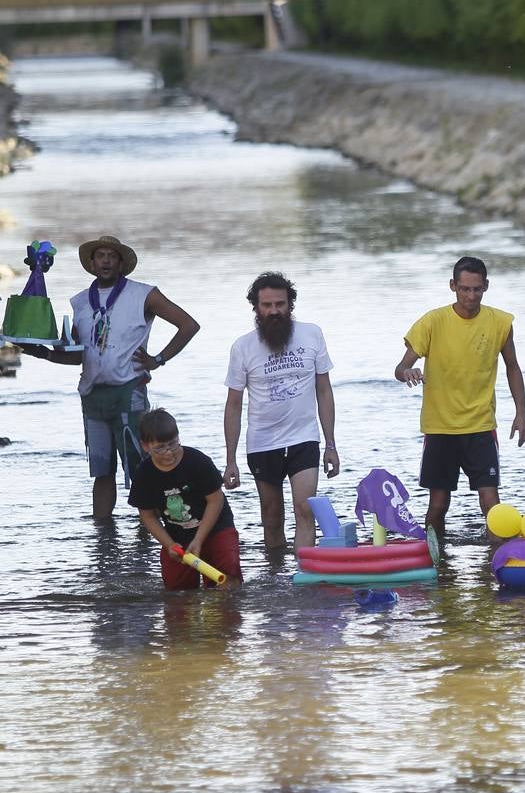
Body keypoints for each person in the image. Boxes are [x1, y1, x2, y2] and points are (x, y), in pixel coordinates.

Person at [20, 235, 199, 520]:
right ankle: (102, 537)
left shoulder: (144, 294)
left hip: (129, 391)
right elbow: (79, 355)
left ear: (121, 263)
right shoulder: (80, 302)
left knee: (142, 467)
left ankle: (151, 531)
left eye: (111, 256)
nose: (105, 260)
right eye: (99, 256)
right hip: (92, 396)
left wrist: (158, 360)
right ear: (91, 264)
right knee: (101, 471)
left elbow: (188, 325)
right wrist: (41, 353)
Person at [395, 256, 525, 542]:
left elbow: (513, 367)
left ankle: (499, 560)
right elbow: (400, 368)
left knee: (490, 501)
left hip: (481, 426)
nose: (471, 296)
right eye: (465, 289)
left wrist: (521, 413)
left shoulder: (500, 322)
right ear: (453, 286)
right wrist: (409, 372)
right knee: (438, 505)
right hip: (440, 427)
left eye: (477, 289)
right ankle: (433, 561)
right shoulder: (432, 321)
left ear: (486, 287)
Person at [223, 272, 339, 550]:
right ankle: (276, 579)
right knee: (272, 518)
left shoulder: (312, 334)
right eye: (267, 305)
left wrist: (331, 444)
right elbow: (234, 405)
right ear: (256, 308)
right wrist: (230, 460)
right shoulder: (242, 347)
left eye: (280, 304)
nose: (274, 311)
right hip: (263, 442)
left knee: (305, 509)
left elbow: (324, 390)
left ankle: (305, 579)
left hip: (304, 438)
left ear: (290, 305)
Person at [128, 408, 242, 590]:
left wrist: (199, 539)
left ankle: (225, 614)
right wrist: (169, 544)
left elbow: (216, 500)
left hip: (215, 526)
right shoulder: (144, 474)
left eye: (173, 444)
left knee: (227, 576)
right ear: (145, 446)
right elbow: (148, 516)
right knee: (177, 591)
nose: (168, 452)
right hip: (177, 535)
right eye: (160, 448)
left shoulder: (197, 461)